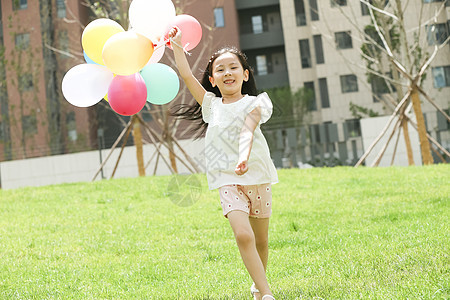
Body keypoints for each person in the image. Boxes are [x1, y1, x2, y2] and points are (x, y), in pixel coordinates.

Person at [168, 26, 278, 300]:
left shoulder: (257, 103)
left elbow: (247, 130)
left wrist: (243, 157)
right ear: (213, 79)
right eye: (220, 69)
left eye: (233, 67)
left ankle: (256, 286)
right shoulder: (210, 104)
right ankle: (266, 293)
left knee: (261, 241)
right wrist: (178, 45)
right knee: (243, 236)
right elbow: (186, 74)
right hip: (227, 180)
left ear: (245, 74)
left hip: (258, 176)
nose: (227, 72)